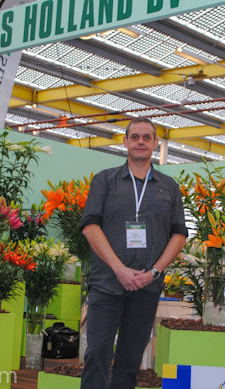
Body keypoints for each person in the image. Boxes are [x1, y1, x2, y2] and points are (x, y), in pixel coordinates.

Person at [79, 117, 188, 389]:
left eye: (147, 137)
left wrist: (154, 272)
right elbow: (90, 226)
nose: (141, 142)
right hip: (107, 283)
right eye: (135, 137)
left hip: (146, 288)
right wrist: (119, 269)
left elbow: (179, 234)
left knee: (129, 361)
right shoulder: (105, 180)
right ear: (125, 142)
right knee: (97, 353)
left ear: (155, 143)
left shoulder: (168, 187)